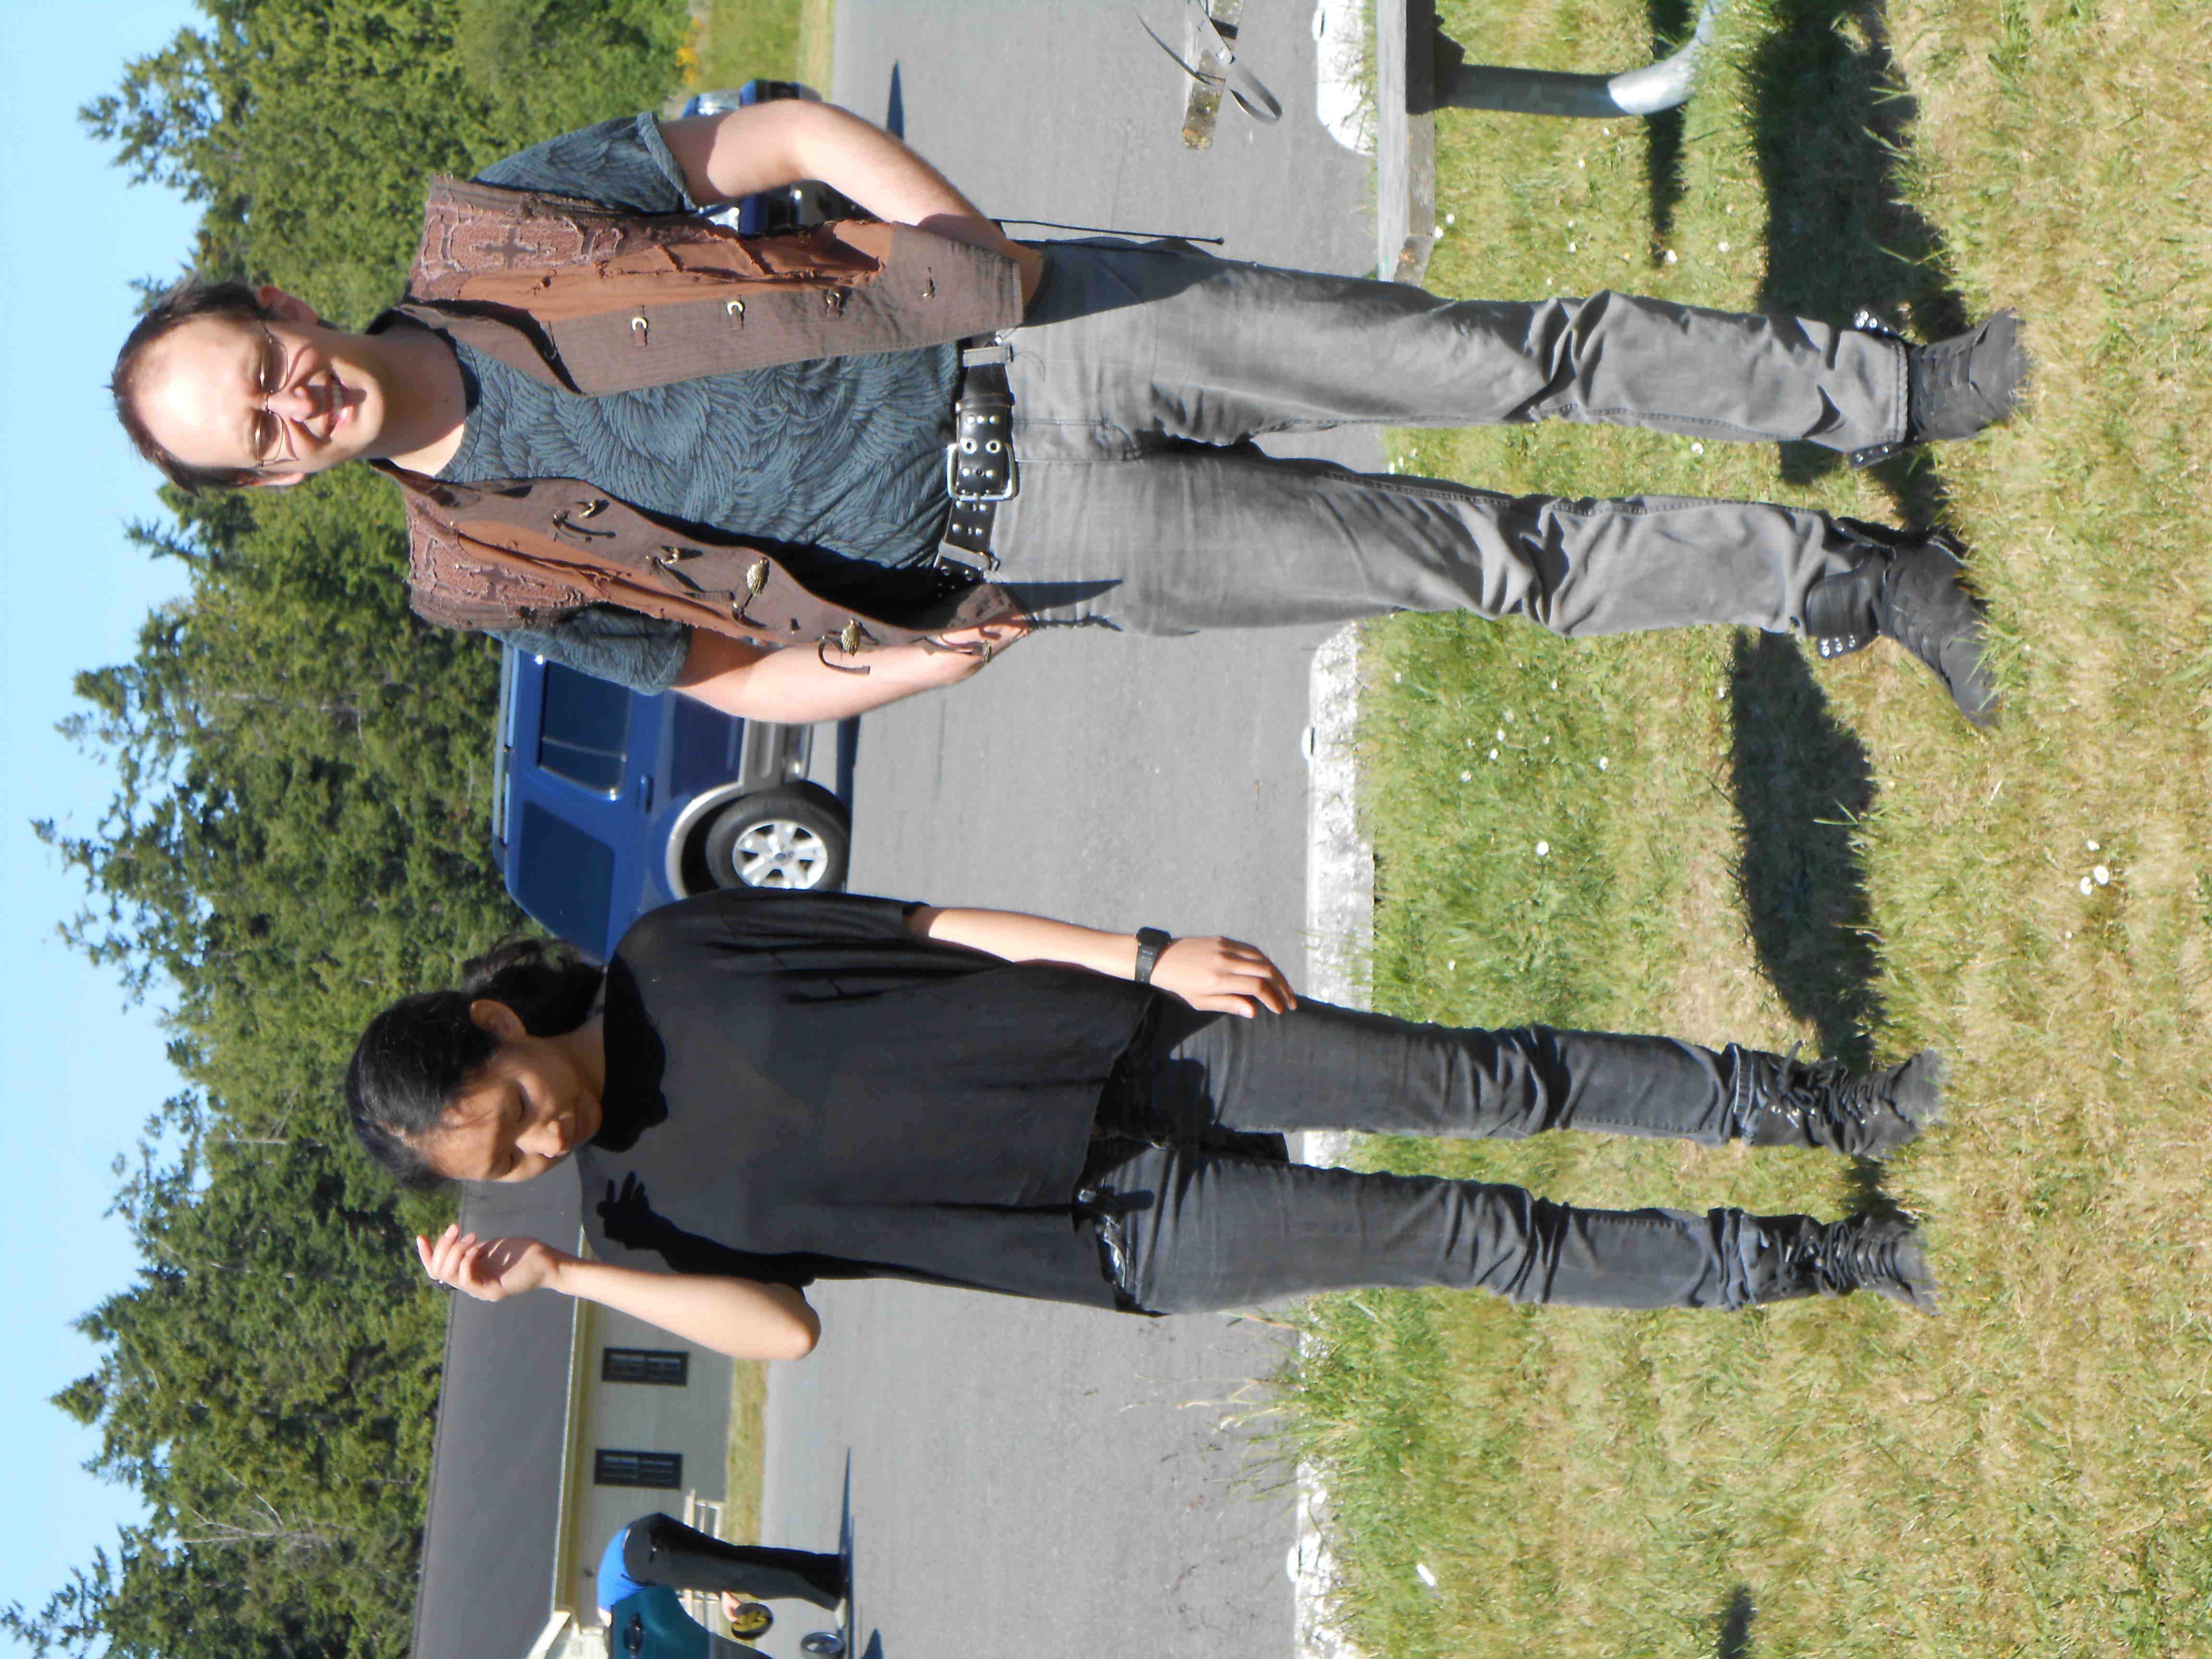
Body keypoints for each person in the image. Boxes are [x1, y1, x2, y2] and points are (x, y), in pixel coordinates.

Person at [111, 100, 2025, 729]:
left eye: (259, 369)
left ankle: (1887, 389)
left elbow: (762, 138)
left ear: (280, 309)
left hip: (1043, 342)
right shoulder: (467, 572)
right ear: (267, 482)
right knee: (1481, 563)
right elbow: (717, 676)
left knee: (1501, 355)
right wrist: (905, 671)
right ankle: (1851, 583)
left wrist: (953, 237)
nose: (290, 407)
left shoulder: (489, 229)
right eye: (254, 435)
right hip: (1028, 540)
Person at [346, 887, 1944, 1360]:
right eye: (510, 1166)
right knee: (1476, 1238)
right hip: (1115, 1235)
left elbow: (924, 929)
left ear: (497, 1028)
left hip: (1135, 1048)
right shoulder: (631, 1221)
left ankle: (1823, 1105)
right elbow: (784, 1337)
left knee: (1489, 1079)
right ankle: (1821, 1259)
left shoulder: (672, 953)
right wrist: (561, 1275)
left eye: (515, 1114)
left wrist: (1143, 954)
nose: (544, 1147)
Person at [596, 1511, 844, 1646]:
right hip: (647, 1529)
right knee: (738, 1561)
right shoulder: (609, 1596)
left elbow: (668, 1629)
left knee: (747, 1576)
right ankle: (828, 1568)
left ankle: (829, 1587)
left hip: (645, 1556)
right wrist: (722, 1592)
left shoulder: (616, 1619)